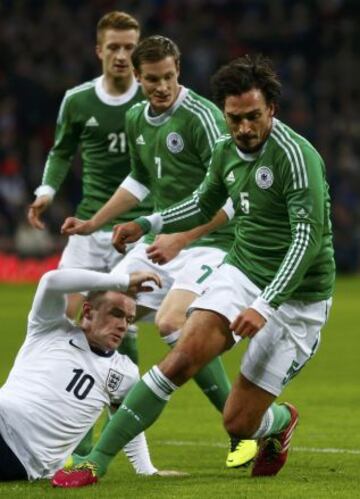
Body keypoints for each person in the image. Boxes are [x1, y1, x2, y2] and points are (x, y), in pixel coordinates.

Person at [53, 54, 335, 487]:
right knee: (182, 355)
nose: (243, 128)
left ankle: (279, 421)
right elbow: (203, 202)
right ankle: (97, 462)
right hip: (243, 271)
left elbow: (305, 241)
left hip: (299, 297)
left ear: (271, 111)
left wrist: (264, 305)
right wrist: (147, 223)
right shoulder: (226, 149)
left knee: (238, 423)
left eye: (253, 117)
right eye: (234, 118)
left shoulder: (296, 157)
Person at [61, 35, 257, 469]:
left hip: (211, 242)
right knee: (102, 313)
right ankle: (84, 442)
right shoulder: (136, 117)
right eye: (152, 79)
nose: (161, 86)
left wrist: (182, 238)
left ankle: (242, 432)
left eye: (168, 77)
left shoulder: (203, 118)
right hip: (162, 239)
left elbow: (229, 195)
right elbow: (140, 180)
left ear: (179, 71)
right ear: (137, 76)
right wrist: (96, 222)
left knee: (172, 322)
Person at [27, 11, 150, 364]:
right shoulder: (78, 100)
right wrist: (46, 192)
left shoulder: (152, 101)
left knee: (119, 318)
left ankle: (125, 412)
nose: (122, 55)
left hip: (137, 228)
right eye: (114, 47)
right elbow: (61, 151)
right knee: (66, 317)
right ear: (99, 50)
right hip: (89, 226)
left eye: (130, 47)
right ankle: (74, 400)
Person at [0, 267, 163, 481]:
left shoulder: (124, 372)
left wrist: (146, 470)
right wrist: (123, 281)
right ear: (87, 312)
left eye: (129, 319)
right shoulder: (49, 328)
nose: (123, 325)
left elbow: (128, 420)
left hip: (23, 458)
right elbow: (51, 280)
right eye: (116, 314)